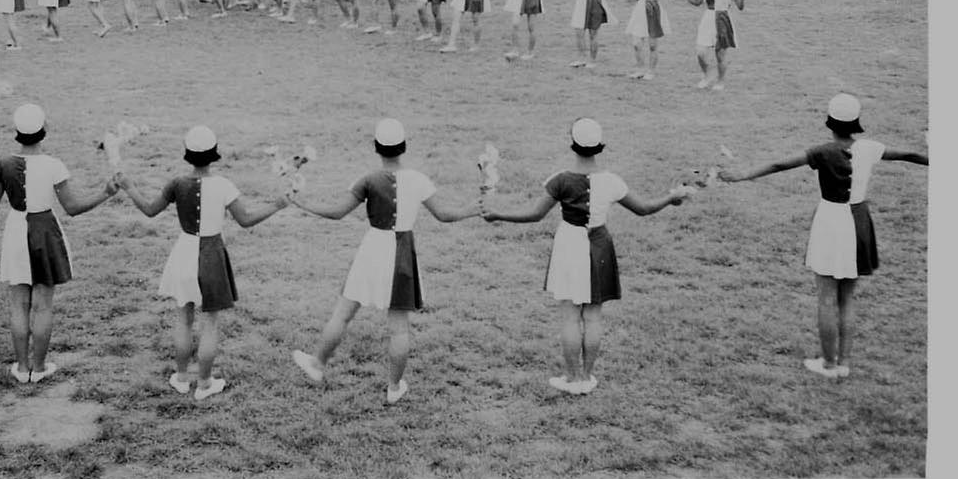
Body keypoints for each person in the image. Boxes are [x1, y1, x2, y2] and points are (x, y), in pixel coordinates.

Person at [719, 94, 928, 379]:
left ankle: (829, 364)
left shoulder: (822, 151)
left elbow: (780, 165)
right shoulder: (870, 147)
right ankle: (843, 362)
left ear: (830, 122)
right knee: (847, 298)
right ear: (856, 123)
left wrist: (742, 175)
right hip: (860, 221)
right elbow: (910, 155)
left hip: (831, 222)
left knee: (827, 297)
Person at [481, 117, 690, 394]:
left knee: (570, 316)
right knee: (593, 316)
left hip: (569, 243)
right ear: (600, 146)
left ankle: (572, 378)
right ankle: (588, 377)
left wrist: (498, 214)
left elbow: (534, 214)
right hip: (600, 245)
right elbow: (644, 209)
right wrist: (671, 197)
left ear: (573, 143)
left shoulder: (560, 180)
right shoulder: (612, 181)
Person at [290, 119, 480, 404]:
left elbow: (336, 212)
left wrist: (301, 202)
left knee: (343, 313)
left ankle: (317, 364)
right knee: (399, 327)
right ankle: (394, 386)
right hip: (402, 252)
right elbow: (444, 215)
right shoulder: (418, 179)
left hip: (372, 249)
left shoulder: (368, 179)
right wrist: (473, 210)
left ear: (376, 148)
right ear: (404, 147)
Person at [116, 125, 288, 401]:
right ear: (214, 154)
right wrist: (277, 205)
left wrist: (128, 187)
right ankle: (205, 383)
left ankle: (182, 377)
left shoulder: (176, 183)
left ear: (187, 154)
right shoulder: (223, 185)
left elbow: (149, 210)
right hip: (211, 255)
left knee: (183, 319)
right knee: (210, 323)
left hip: (183, 253)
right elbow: (246, 220)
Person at [0, 104, 119, 383]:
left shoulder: (3, 164)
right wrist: (105, 193)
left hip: (16, 232)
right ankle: (39, 368)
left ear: (16, 133)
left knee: (19, 304)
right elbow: (73, 207)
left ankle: (21, 366)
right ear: (45, 131)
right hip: (45, 232)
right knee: (43, 304)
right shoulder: (54, 165)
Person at [680, 0, 747, 90]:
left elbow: (740, 6)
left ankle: (720, 81)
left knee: (720, 54)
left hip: (723, 19)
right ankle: (707, 75)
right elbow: (697, 2)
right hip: (708, 19)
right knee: (700, 51)